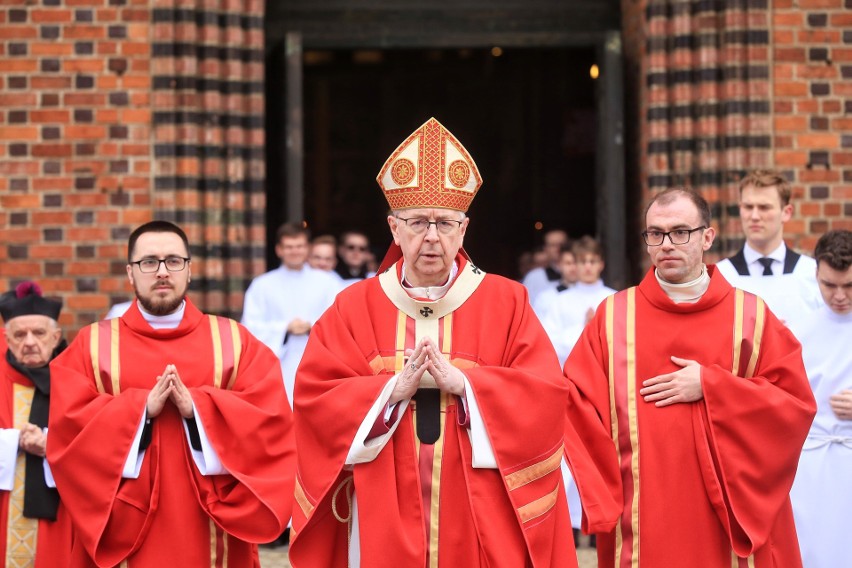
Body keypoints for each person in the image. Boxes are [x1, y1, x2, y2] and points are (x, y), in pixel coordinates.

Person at [289, 118, 616, 568]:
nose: (431, 236)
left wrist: (467, 386)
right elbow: (315, 399)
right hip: (381, 500)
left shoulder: (507, 301)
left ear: (464, 230)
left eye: (444, 223)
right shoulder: (353, 306)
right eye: (418, 222)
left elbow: (546, 396)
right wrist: (390, 392)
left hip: (477, 505)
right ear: (393, 228)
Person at [564, 187, 816, 567]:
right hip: (640, 510)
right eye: (655, 234)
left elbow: (794, 406)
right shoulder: (613, 317)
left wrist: (712, 386)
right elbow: (570, 403)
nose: (666, 244)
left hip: (723, 513)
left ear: (707, 237)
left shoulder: (750, 317)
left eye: (680, 232)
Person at [47, 220, 295, 567]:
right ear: (131, 273)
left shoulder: (234, 342)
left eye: (174, 261)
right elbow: (67, 433)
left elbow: (272, 424)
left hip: (211, 524)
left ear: (189, 271)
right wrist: (139, 410)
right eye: (149, 262)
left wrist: (199, 409)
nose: (162, 272)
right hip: (125, 525)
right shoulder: (93, 345)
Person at [789, 229, 852, 567]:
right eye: (829, 285)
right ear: (816, 275)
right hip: (811, 464)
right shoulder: (797, 333)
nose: (839, 296)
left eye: (849, 286)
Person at [0, 281, 72, 567]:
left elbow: (97, 442)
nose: (29, 341)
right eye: (19, 334)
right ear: (6, 338)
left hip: (61, 515)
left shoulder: (75, 380)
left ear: (55, 337)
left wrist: (50, 444)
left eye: (39, 333)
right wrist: (14, 440)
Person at [241, 222, 341, 404]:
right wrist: (285, 328)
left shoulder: (328, 282)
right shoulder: (262, 285)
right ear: (279, 250)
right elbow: (249, 328)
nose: (294, 251)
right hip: (278, 367)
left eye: (299, 246)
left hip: (318, 365)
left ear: (307, 248)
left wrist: (313, 325)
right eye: (289, 247)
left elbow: (340, 321)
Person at [716, 169, 821, 327]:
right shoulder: (721, 276)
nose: (755, 216)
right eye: (748, 207)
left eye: (764, 207)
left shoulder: (813, 274)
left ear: (786, 212)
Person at [540, 236, 614, 365]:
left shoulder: (614, 299)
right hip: (570, 372)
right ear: (575, 265)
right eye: (582, 261)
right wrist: (584, 330)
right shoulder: (560, 301)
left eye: (592, 261)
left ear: (601, 265)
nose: (587, 267)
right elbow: (549, 344)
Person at [522, 228, 569, 304]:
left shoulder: (582, 274)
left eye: (561, 244)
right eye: (553, 245)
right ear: (545, 249)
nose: (558, 249)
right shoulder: (534, 277)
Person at [531, 243, 578, 320]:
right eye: (568, 263)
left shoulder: (592, 295)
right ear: (559, 265)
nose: (572, 268)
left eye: (575, 263)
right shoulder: (545, 298)